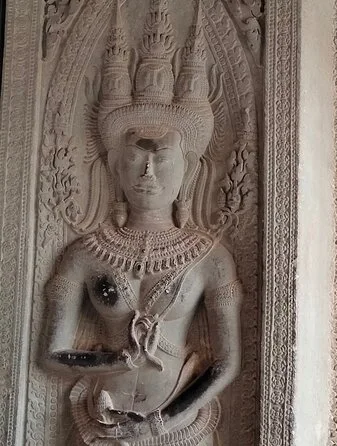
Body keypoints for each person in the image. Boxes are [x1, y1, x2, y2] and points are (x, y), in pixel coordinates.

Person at [42, 1, 241, 444]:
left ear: (188, 170)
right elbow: (51, 354)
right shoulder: (84, 254)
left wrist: (159, 423)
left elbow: (226, 364)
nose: (147, 173)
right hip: (101, 422)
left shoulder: (210, 258)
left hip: (180, 427)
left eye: (162, 158)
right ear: (115, 167)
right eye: (134, 158)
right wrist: (117, 360)